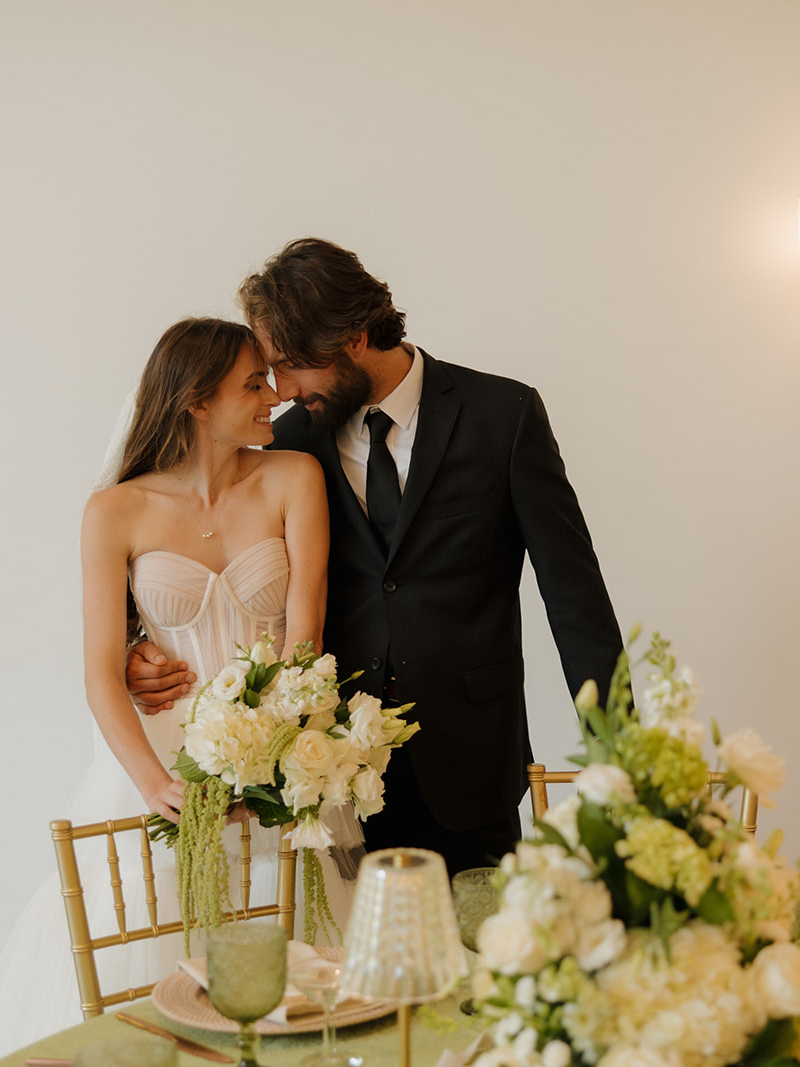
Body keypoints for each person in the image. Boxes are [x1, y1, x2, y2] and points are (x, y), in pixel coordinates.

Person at [128, 239, 623, 874]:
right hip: (331, 774)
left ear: (355, 338)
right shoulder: (289, 444)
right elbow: (208, 556)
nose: (277, 391)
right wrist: (140, 646)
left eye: (289, 366)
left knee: (479, 960)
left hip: (471, 763)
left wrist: (620, 750)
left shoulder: (505, 416)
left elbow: (575, 596)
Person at [0, 318, 355, 1067]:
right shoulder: (113, 511)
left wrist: (274, 756)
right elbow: (100, 673)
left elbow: (305, 636)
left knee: (294, 987)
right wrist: (156, 785)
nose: (273, 395)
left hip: (279, 759)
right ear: (196, 401)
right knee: (152, 972)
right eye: (252, 383)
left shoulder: (292, 479)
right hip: (160, 769)